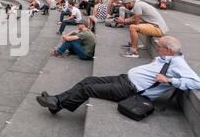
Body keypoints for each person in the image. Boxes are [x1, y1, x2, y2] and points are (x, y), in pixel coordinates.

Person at [36, 37, 200, 115]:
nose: (157, 48)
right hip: (123, 79)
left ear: (169, 50)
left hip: (129, 90)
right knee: (88, 80)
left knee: (88, 89)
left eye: (160, 47)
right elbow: (158, 62)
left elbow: (196, 82)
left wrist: (169, 80)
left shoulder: (179, 64)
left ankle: (57, 102)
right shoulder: (168, 58)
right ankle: (57, 101)